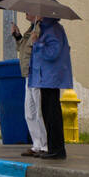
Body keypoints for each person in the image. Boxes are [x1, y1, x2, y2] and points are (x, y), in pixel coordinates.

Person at [28, 16, 73, 159]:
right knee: (47, 113)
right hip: (45, 78)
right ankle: (53, 148)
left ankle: (57, 150)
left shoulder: (53, 29)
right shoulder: (45, 29)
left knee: (52, 114)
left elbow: (53, 53)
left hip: (51, 78)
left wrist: (37, 43)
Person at [11, 13, 48, 157]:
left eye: (28, 10)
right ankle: (36, 144)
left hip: (37, 74)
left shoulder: (41, 28)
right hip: (28, 74)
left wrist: (37, 41)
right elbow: (23, 48)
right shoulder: (31, 28)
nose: (25, 13)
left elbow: (41, 49)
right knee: (29, 113)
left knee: (39, 111)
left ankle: (45, 145)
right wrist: (18, 35)